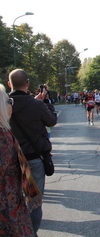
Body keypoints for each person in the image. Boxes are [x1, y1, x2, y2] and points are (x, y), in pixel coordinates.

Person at [8, 69, 58, 236]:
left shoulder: (5, 105)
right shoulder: (37, 104)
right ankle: (31, 233)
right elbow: (51, 120)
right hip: (35, 158)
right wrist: (46, 100)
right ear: (27, 83)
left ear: (9, 84)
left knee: (13, 199)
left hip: (11, 159)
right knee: (34, 201)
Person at [0, 83, 43, 236]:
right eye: (8, 101)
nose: (11, 104)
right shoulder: (2, 138)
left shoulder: (5, 133)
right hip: (8, 216)